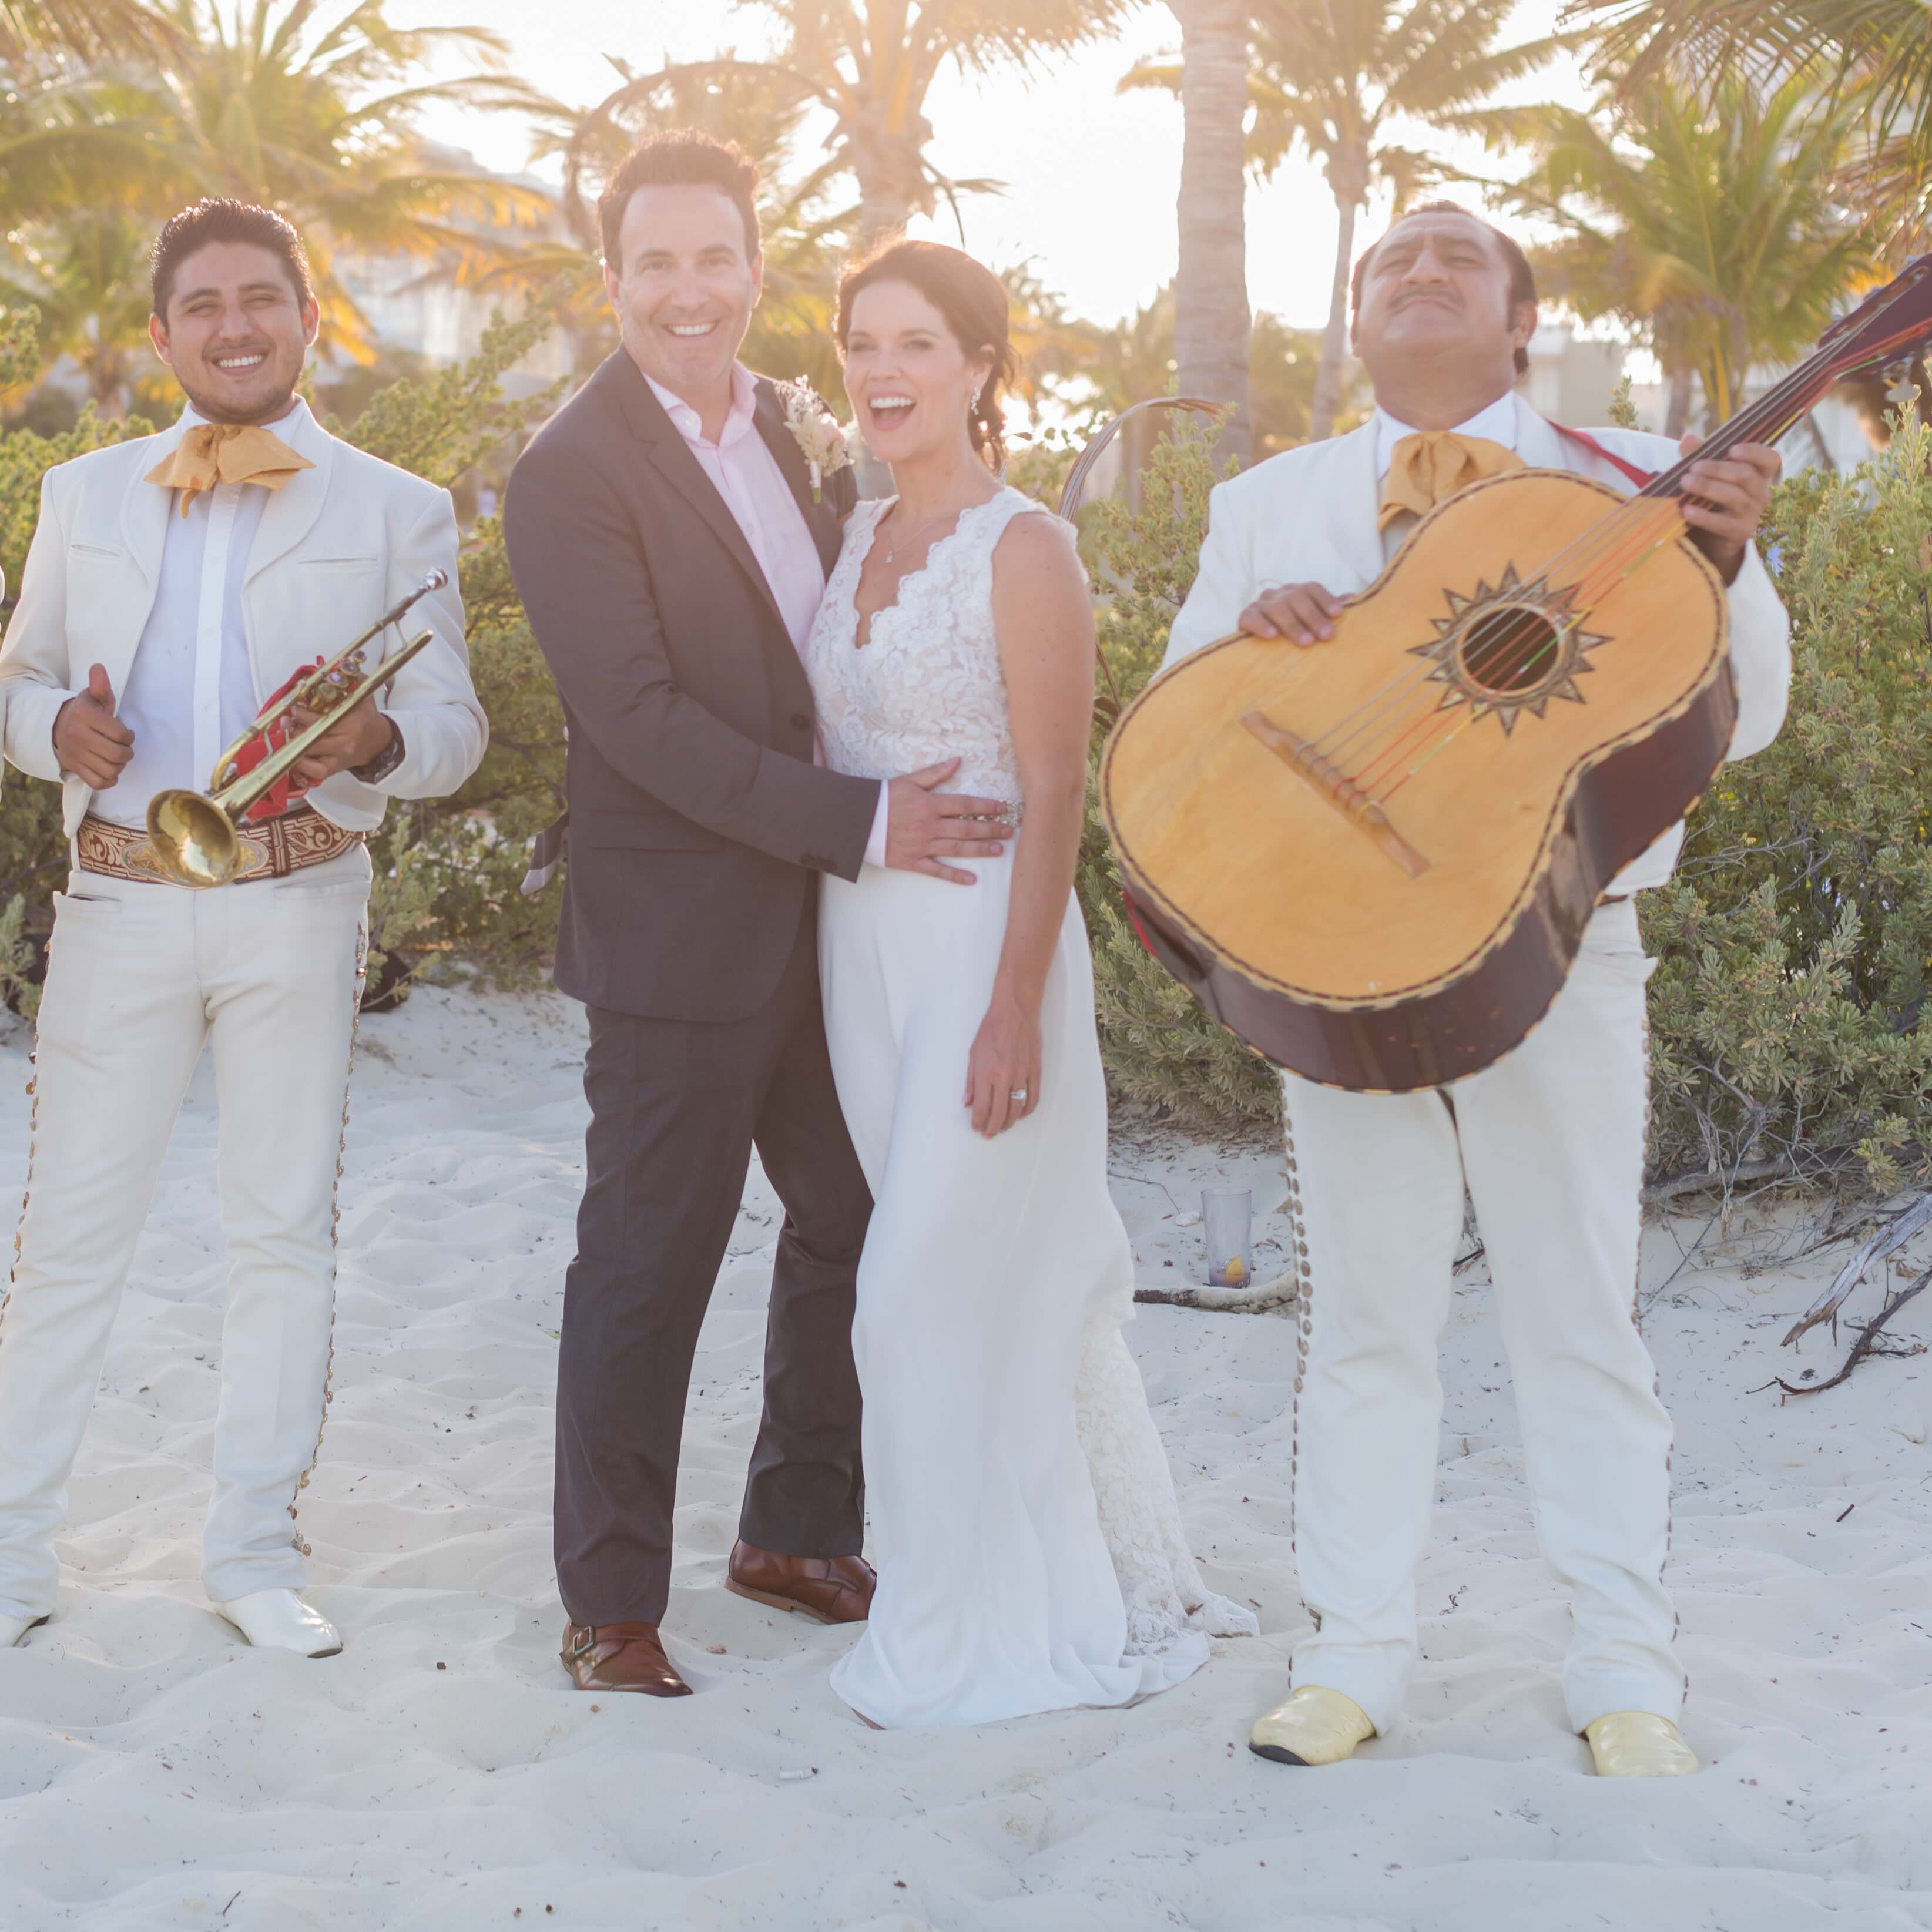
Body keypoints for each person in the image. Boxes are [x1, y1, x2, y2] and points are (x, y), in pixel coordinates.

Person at [1164, 203, 1792, 1777]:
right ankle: (1355, 1656)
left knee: (1578, 1316)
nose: (1422, 268)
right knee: (1365, 1323)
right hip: (1335, 966)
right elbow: (1186, 731)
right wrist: (1256, 650)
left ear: (1521, 318)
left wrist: (1728, 559)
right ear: (1356, 323)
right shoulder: (1267, 503)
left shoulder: (1632, 478)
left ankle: (1624, 1667)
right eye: (1391, 260)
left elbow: (1752, 715)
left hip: (1561, 950)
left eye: (1460, 255)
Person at [504, 134, 1019, 1698]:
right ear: (612, 282)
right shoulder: (568, 472)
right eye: (653, 263)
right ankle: (609, 1602)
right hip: (682, 937)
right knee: (649, 1260)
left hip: (828, 930)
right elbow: (641, 719)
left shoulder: (788, 432)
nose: (686, 290)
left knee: (854, 1215)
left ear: (751, 270)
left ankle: (794, 1528)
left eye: (712, 258)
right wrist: (864, 821)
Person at [0, 197, 487, 1657]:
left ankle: (253, 1553)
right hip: (121, 906)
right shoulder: (84, 493)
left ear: (306, 315)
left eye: (259, 297)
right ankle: (16, 1549)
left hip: (297, 897)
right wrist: (52, 732)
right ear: (163, 335)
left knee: (280, 1236)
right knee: (69, 1241)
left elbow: (456, 727)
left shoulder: (400, 505)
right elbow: (14, 679)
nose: (232, 324)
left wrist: (380, 740)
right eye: (202, 303)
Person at [805, 238, 1256, 1730]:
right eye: (863, 341)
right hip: (859, 955)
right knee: (961, 1280)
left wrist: (1014, 1004)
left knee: (917, 1283)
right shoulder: (851, 537)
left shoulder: (1023, 547)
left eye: (919, 343)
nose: (883, 370)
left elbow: (1058, 786)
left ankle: (965, 1614)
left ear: (984, 368)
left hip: (988, 954)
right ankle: (983, 1557)